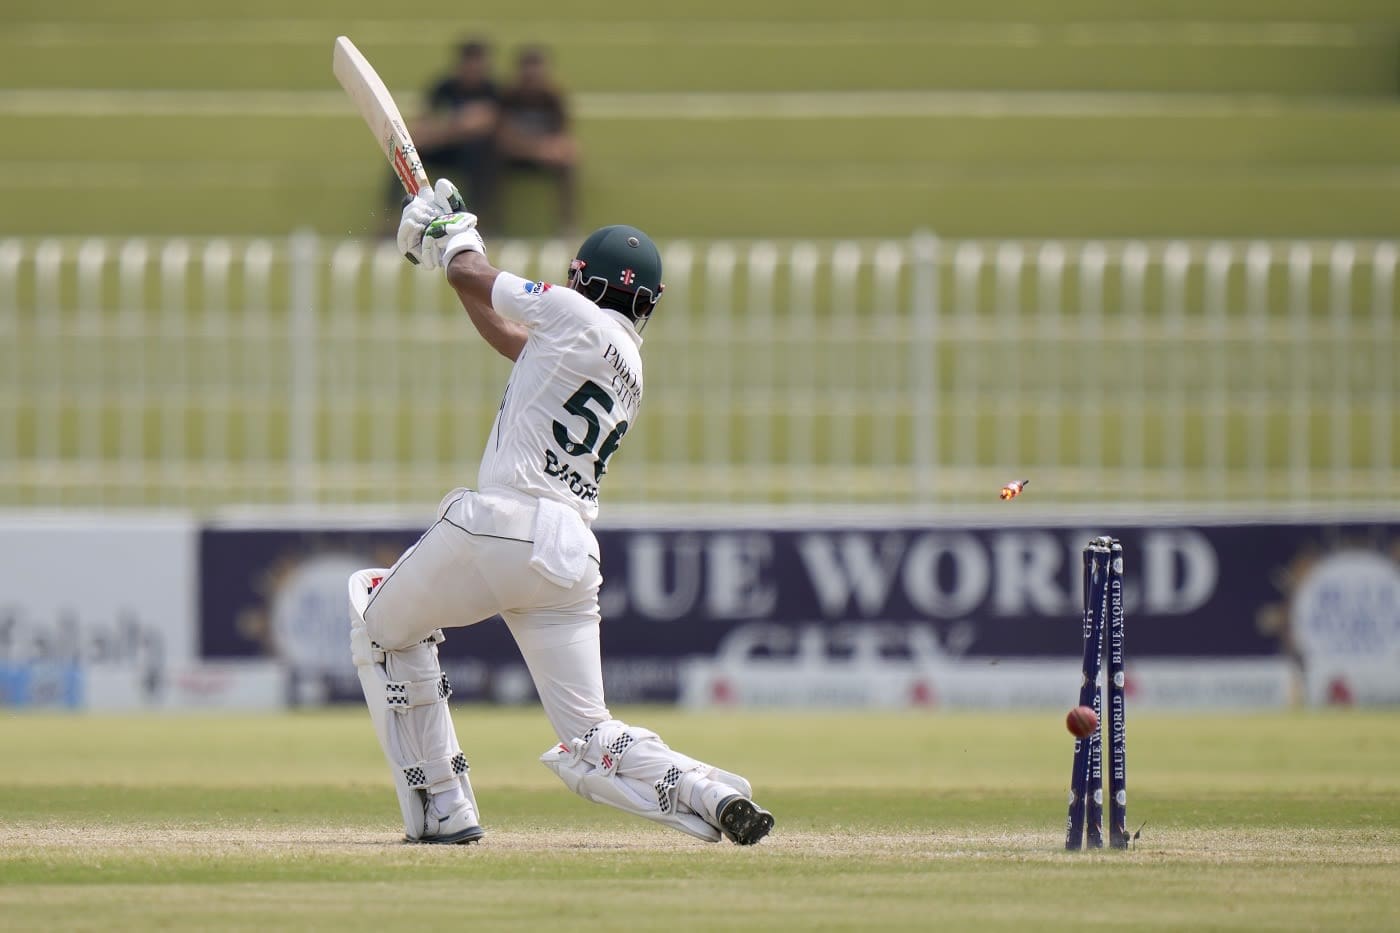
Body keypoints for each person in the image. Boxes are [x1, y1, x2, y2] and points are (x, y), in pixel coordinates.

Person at [347, 177, 775, 847]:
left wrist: (452, 235)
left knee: (377, 621)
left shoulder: (573, 316)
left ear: (581, 279)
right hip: (569, 557)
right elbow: (509, 332)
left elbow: (477, 275)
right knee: (590, 732)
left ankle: (443, 805)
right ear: (648, 303)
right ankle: (702, 787)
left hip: (500, 526)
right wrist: (450, 248)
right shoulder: (627, 364)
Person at [406, 40, 501, 219]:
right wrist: (459, 126)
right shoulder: (445, 87)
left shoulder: (492, 89)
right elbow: (421, 128)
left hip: (475, 155)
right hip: (444, 148)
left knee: (481, 152)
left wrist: (449, 128)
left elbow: (492, 124)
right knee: (409, 155)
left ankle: (480, 215)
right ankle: (401, 214)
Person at [497, 46, 578, 235]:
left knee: (567, 163)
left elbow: (563, 137)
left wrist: (555, 150)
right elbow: (503, 139)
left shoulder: (552, 97)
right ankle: (490, 220)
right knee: (488, 160)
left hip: (543, 156)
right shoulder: (509, 96)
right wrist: (537, 149)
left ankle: (567, 223)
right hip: (515, 156)